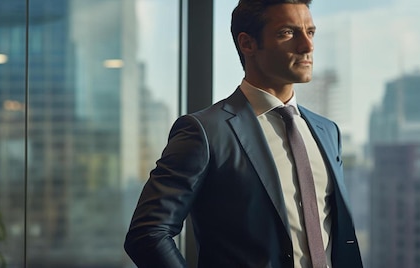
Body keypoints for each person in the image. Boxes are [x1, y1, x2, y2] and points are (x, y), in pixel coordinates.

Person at [124, 0, 363, 267]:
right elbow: (148, 233)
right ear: (247, 44)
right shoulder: (205, 131)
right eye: (287, 33)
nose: (307, 46)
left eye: (310, 32)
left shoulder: (327, 131)